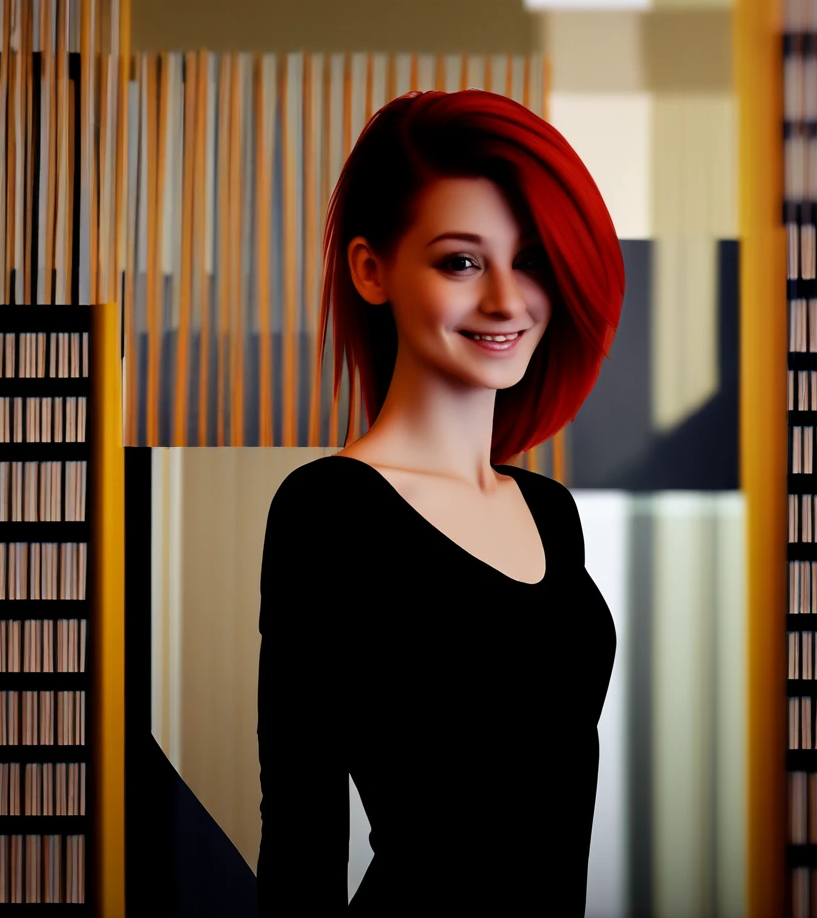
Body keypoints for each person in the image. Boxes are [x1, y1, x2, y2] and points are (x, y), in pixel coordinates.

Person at [257, 89, 625, 916]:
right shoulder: (328, 512)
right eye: (462, 261)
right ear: (370, 270)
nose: (505, 300)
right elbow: (302, 830)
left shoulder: (549, 511)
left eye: (529, 259)